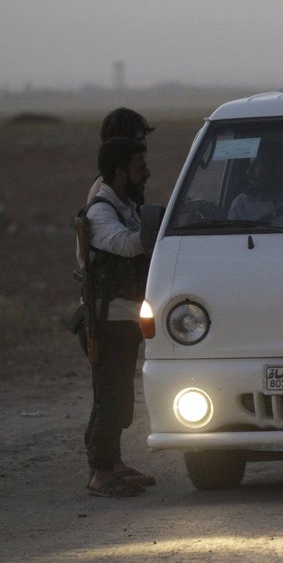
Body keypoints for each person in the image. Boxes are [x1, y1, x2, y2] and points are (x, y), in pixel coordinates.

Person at [82, 137, 156, 497]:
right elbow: (126, 245)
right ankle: (100, 471)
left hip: (125, 317)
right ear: (119, 172)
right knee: (109, 398)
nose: (146, 173)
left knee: (121, 397)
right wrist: (158, 229)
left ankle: (115, 464)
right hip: (107, 320)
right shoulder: (100, 212)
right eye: (139, 167)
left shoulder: (124, 205)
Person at [86, 107, 154, 203]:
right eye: (139, 139)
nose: (143, 144)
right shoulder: (103, 192)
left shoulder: (128, 186)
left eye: (144, 138)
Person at [228, 142, 283, 223]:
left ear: (279, 167)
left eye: (256, 165)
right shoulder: (241, 203)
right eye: (250, 165)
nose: (248, 171)